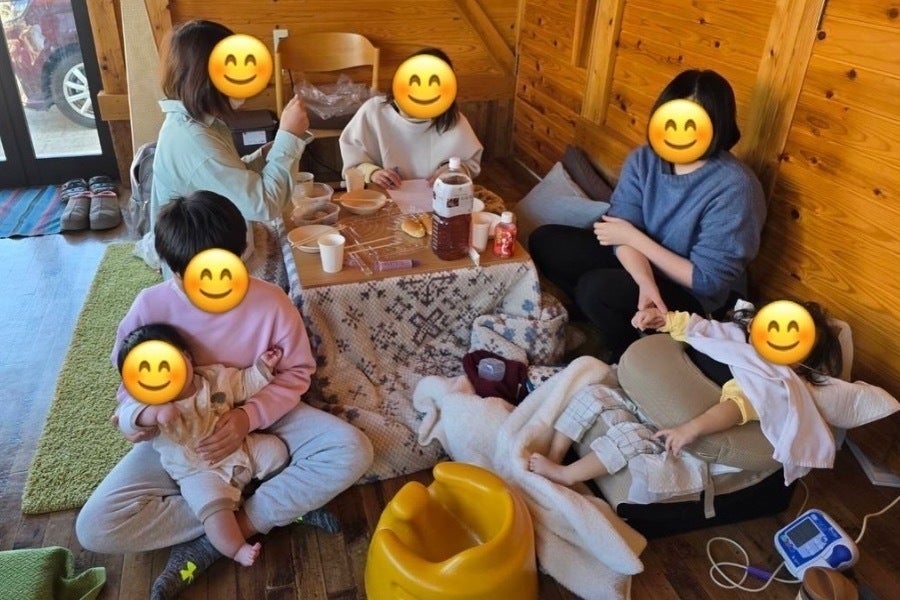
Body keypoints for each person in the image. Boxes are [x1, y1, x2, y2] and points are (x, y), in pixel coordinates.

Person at [76, 191, 374, 600]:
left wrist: (248, 417)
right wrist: (139, 417)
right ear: (171, 269)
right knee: (96, 527)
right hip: (184, 438)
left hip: (265, 415)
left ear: (243, 255)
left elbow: (296, 373)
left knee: (351, 450)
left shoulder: (271, 303)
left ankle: (229, 532)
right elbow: (130, 385)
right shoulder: (149, 306)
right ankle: (258, 509)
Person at [529, 69, 766, 362]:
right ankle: (607, 317)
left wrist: (634, 238)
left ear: (717, 126)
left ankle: (626, 351)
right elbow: (619, 231)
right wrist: (644, 280)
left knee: (596, 289)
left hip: (693, 293)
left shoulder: (736, 187)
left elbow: (706, 280)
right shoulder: (645, 159)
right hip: (644, 266)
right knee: (546, 240)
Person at [528, 302, 843, 491]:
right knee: (592, 393)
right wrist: (659, 319)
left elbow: (734, 409)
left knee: (629, 438)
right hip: (645, 397)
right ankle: (556, 454)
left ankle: (566, 475)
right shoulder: (733, 338)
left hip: (668, 429)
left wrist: (689, 429)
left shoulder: (766, 380)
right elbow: (694, 327)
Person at [139, 19, 312, 284]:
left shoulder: (196, 123)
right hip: (206, 271)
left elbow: (228, 176)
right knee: (302, 268)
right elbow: (264, 205)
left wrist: (268, 152)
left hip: (215, 241)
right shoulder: (193, 140)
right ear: (206, 79)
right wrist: (288, 137)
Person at [117, 323, 287, 567]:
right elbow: (127, 419)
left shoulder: (214, 377)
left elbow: (242, 384)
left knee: (276, 451)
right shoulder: (144, 403)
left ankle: (265, 492)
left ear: (187, 357)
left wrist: (263, 368)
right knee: (214, 513)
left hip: (240, 449)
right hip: (198, 472)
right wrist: (153, 414)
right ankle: (236, 548)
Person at [339, 47, 483, 189]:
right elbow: (353, 163)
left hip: (436, 195)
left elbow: (470, 163)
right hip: (382, 195)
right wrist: (374, 173)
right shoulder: (374, 111)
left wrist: (452, 170)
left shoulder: (452, 119)